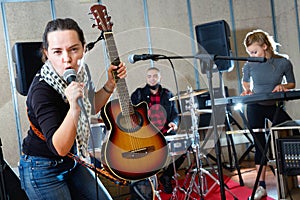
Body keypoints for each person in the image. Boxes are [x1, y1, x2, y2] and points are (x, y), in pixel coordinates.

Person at [18, 18, 127, 200]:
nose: (67, 59)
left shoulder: (81, 72)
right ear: (46, 53)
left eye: (73, 49)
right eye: (57, 52)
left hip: (72, 161)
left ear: (84, 48)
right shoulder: (41, 91)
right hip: (42, 168)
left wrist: (110, 84)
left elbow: (91, 108)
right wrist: (74, 107)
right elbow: (59, 147)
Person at [241, 29, 296, 200]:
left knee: (294, 132)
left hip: (275, 106)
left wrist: (283, 87)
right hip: (255, 106)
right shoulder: (249, 64)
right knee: (260, 144)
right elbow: (245, 80)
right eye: (249, 52)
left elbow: (292, 83)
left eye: (255, 51)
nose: (252, 55)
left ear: (265, 46)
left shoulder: (283, 62)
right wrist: (247, 89)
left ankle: (294, 174)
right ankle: (261, 186)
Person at [130, 67, 186, 195]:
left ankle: (167, 175)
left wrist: (174, 123)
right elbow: (131, 116)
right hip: (147, 135)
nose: (152, 78)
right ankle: (148, 183)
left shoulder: (168, 94)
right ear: (146, 78)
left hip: (166, 132)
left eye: (155, 76)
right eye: (149, 76)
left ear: (160, 78)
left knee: (184, 147)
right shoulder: (138, 94)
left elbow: (175, 115)